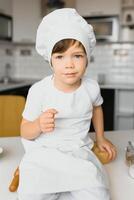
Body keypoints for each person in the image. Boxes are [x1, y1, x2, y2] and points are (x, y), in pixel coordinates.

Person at [18, 8, 116, 200]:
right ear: (50, 61)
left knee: (97, 192)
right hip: (45, 154)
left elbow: (97, 108)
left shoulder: (91, 87)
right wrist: (38, 125)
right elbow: (24, 131)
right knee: (32, 195)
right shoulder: (39, 91)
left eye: (77, 56)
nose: (69, 64)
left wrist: (101, 138)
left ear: (87, 59)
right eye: (60, 56)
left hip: (78, 153)